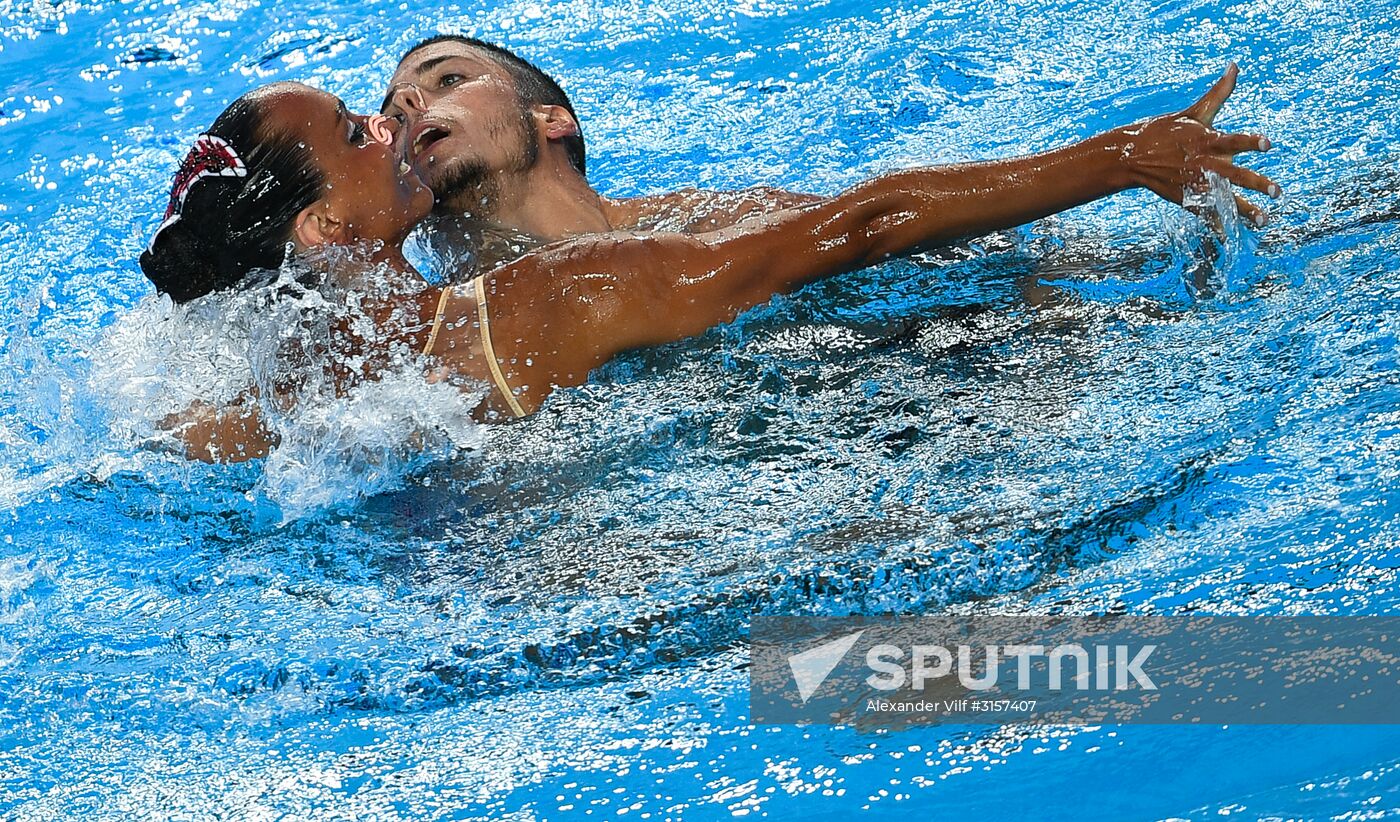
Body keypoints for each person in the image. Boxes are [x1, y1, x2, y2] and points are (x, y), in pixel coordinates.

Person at [142, 66, 1277, 462]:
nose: (391, 123)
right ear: (329, 233)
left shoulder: (257, 398)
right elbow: (857, 229)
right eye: (357, 130)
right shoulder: (543, 301)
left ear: (550, 120)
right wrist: (1117, 153)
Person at [381, 37, 1275, 274]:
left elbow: (876, 230)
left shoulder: (704, 223)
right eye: (388, 112)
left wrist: (1120, 158)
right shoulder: (428, 330)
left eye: (446, 78)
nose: (413, 104)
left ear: (551, 122)